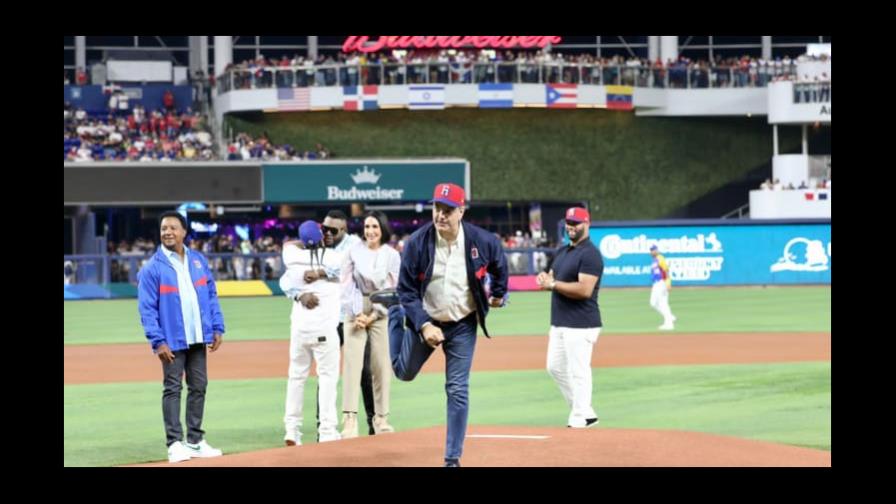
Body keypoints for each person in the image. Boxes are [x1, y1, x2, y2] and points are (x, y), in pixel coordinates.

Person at [370, 182, 508, 467]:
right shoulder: (417, 243)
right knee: (404, 373)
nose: (441, 215)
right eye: (437, 208)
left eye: (448, 210)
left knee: (457, 388)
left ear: (461, 212)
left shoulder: (483, 241)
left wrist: (497, 294)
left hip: (463, 324)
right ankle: (395, 316)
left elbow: (499, 265)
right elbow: (407, 291)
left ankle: (452, 459)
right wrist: (421, 325)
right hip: (427, 318)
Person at [137, 211, 225, 463]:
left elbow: (211, 295)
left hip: (198, 336)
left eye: (173, 228)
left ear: (184, 232)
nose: (167, 232)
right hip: (172, 339)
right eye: (164, 228)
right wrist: (157, 341)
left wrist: (217, 327)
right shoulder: (152, 268)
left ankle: (195, 441)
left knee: (199, 387)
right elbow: (146, 308)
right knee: (173, 388)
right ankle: (175, 443)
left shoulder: (198, 261)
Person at [536, 207, 603, 429]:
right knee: (554, 367)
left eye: (576, 223)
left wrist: (553, 284)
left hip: (582, 322)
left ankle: (580, 417)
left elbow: (584, 289)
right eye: (568, 222)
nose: (571, 227)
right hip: (559, 322)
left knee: (579, 370)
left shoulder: (590, 254)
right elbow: (554, 278)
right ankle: (584, 410)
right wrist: (546, 279)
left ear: (587, 224)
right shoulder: (563, 251)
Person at [279, 220, 343, 445]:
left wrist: (298, 294)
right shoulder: (333, 256)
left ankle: (292, 430)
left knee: (296, 378)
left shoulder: (290, 256)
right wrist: (321, 269)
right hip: (324, 329)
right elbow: (339, 269)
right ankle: (327, 430)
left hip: (299, 329)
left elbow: (290, 246)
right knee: (327, 378)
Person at [340, 210, 401, 438]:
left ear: (382, 229)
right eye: (367, 227)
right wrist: (357, 313)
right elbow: (346, 283)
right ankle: (349, 420)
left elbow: (393, 288)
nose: (370, 231)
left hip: (381, 308)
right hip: (354, 308)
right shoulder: (353, 252)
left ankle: (381, 418)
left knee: (381, 366)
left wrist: (373, 315)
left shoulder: (392, 255)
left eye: (374, 226)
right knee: (352, 366)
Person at [320, 210, 377, 436]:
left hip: (354, 317)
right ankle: (323, 426)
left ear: (344, 230)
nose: (327, 233)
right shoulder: (318, 244)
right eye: (325, 228)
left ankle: (374, 422)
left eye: (333, 230)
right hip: (329, 319)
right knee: (327, 372)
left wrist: (321, 273)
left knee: (365, 371)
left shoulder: (354, 245)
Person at [649, 244, 676, 330]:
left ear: (657, 250)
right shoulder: (654, 260)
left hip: (662, 283)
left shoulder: (660, 258)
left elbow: (666, 270)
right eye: (651, 250)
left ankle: (669, 324)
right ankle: (670, 316)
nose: (652, 251)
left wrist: (668, 283)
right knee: (653, 303)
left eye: (654, 250)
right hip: (656, 284)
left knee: (663, 303)